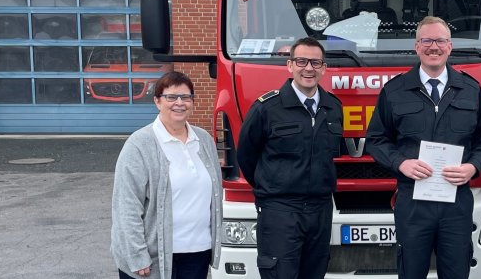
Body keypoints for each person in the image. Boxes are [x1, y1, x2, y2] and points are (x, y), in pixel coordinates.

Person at [366, 16, 481, 279]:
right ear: (416, 47)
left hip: (456, 201)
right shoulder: (395, 91)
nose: (433, 47)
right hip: (413, 201)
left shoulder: (470, 90)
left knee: (456, 272)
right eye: (426, 41)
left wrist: (473, 166)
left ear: (449, 47)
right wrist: (400, 163)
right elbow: (376, 140)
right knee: (411, 272)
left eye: (440, 40)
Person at [236, 37, 344, 279]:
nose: (309, 68)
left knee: (315, 273)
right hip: (280, 210)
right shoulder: (267, 108)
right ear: (290, 65)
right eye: (302, 61)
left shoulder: (333, 107)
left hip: (320, 210)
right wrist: (274, 185)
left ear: (324, 68)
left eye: (315, 63)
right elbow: (246, 155)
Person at [111, 71, 222, 279]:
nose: (179, 103)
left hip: (197, 253)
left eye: (186, 97)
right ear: (157, 101)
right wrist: (137, 255)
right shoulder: (139, 145)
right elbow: (126, 206)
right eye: (171, 97)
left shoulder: (204, 140)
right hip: (154, 258)